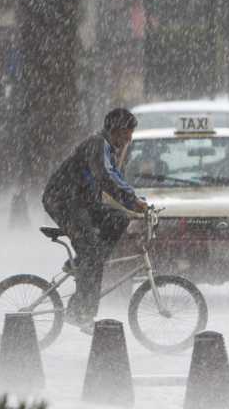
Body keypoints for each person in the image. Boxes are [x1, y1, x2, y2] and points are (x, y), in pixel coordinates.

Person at [42, 108, 147, 334]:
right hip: (64, 200)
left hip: (82, 201)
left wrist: (136, 201)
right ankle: (81, 313)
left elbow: (116, 177)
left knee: (118, 220)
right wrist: (132, 201)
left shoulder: (109, 149)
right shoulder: (97, 145)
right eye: (127, 134)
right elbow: (106, 177)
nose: (129, 139)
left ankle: (84, 262)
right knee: (92, 255)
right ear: (115, 131)